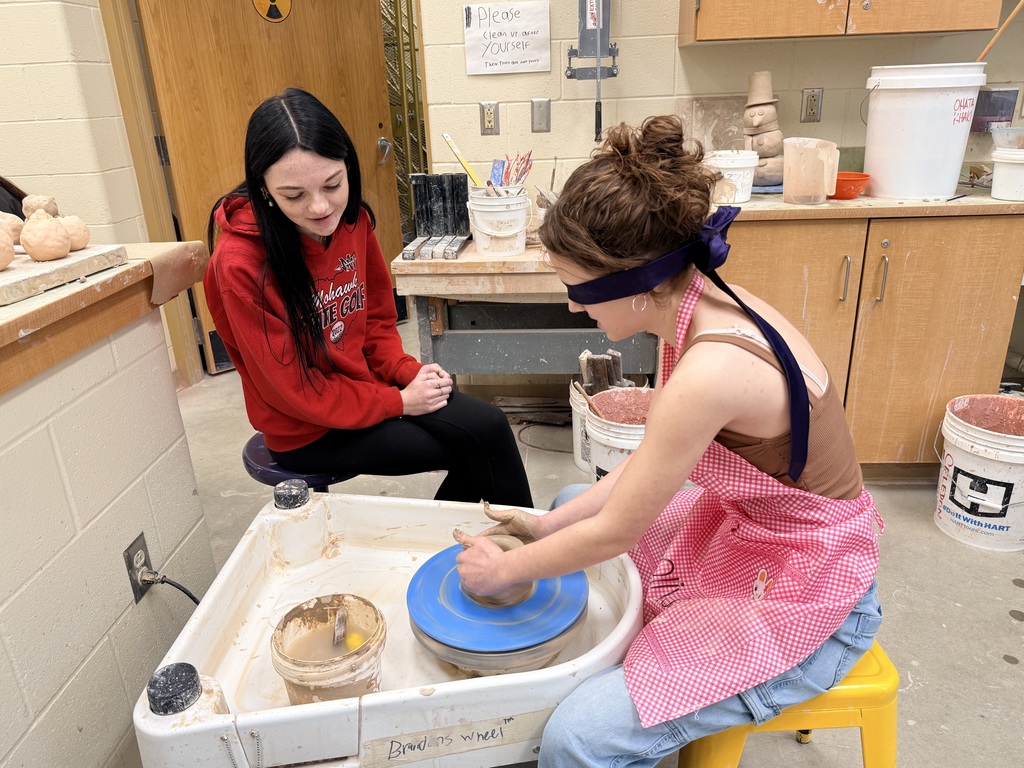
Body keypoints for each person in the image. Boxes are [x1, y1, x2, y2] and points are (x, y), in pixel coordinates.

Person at [455, 115, 883, 766]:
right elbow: (645, 467)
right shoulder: (699, 306)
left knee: (575, 737)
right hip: (757, 532)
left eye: (578, 288)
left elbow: (615, 534)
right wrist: (547, 526)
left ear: (639, 282)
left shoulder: (710, 371)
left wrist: (507, 568)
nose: (573, 306)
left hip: (811, 589)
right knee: (573, 496)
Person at [204, 87, 532, 507]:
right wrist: (397, 401)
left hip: (363, 391)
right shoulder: (240, 263)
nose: (321, 207)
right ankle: (506, 558)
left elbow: (376, 320)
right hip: (305, 428)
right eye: (294, 196)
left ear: (347, 166)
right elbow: (294, 391)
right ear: (264, 188)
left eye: (332, 184)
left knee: (489, 426)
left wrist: (403, 371)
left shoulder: (351, 220)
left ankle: (504, 555)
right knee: (474, 449)